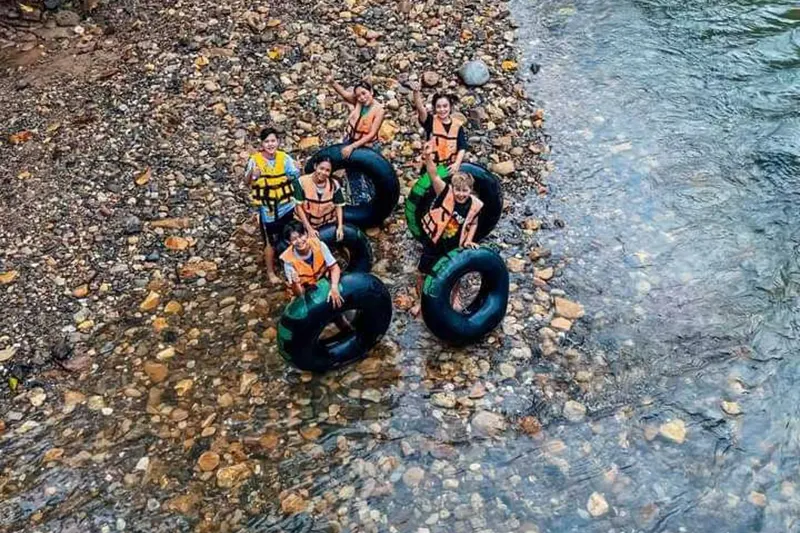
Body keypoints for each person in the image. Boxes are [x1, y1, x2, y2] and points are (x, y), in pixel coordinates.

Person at [410, 144, 483, 316]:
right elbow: (434, 176)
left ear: (470, 191)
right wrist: (428, 157)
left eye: (465, 191)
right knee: (422, 273)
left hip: (453, 245)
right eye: (458, 190)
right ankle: (421, 302)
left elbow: (473, 223)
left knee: (455, 274)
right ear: (453, 188)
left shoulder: (474, 205)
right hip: (435, 241)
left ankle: (453, 301)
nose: (461, 194)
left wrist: (469, 240)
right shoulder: (446, 194)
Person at [244, 128, 300, 285]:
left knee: (290, 236)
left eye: (273, 141)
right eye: (267, 141)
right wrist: (252, 174)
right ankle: (270, 272)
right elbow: (247, 182)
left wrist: (298, 168)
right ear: (262, 144)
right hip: (268, 210)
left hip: (286, 206)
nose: (270, 144)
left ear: (278, 142)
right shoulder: (255, 160)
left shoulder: (284, 158)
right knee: (269, 242)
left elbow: (294, 175)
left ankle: (291, 265)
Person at [326, 75, 386, 203]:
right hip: (351, 139)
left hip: (368, 145)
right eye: (358, 95)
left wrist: (352, 147)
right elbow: (344, 94)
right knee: (353, 173)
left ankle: (375, 202)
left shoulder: (379, 110)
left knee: (371, 174)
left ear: (371, 92)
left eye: (364, 93)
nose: (362, 98)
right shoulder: (359, 102)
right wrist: (333, 82)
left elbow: (372, 133)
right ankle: (359, 202)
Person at [280, 221, 343, 309]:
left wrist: (334, 287)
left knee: (336, 295)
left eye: (301, 236)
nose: (299, 241)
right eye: (294, 239)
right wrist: (295, 283)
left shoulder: (319, 245)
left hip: (323, 280)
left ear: (306, 234)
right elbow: (299, 294)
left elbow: (334, 267)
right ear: (288, 242)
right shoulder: (288, 260)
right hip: (308, 290)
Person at [410, 83, 468, 175]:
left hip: (449, 167)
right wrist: (416, 92)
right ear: (435, 108)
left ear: (450, 107)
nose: (442, 110)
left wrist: (457, 164)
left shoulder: (458, 126)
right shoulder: (430, 121)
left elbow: (462, 147)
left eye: (445, 106)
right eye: (439, 107)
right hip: (430, 167)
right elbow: (420, 109)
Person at [293, 157, 345, 241]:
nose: (323, 172)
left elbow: (338, 206)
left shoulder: (334, 184)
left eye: (327, 170)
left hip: (326, 222)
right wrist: (309, 229)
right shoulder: (302, 182)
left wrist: (340, 227)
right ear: (315, 166)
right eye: (321, 168)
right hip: (305, 222)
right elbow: (299, 207)